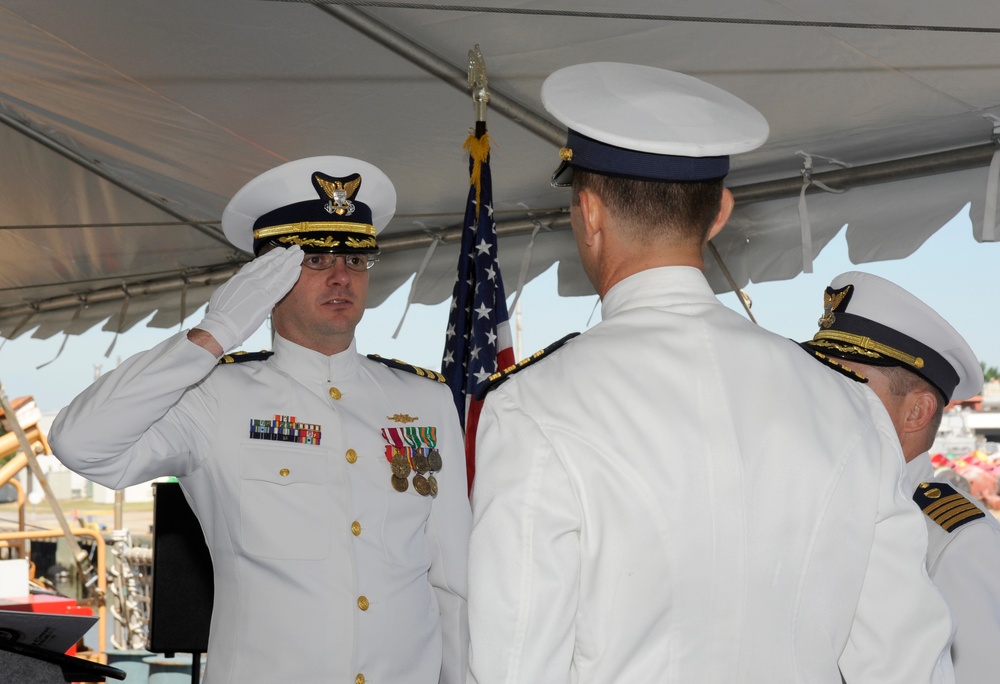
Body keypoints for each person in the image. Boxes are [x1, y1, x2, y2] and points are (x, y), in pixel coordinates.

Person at [465, 62, 955, 684]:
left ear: (588, 212)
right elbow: (907, 663)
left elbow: (514, 668)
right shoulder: (850, 407)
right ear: (720, 212)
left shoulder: (534, 406)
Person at [49, 156, 471, 684]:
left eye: (357, 260)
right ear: (266, 281)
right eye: (315, 261)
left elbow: (453, 584)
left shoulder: (424, 401)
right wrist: (216, 331)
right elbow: (80, 443)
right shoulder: (216, 397)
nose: (342, 275)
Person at [802, 270, 1000, 683]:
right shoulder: (822, 499)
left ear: (916, 412)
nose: (822, 394)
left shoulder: (955, 541)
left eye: (848, 382)